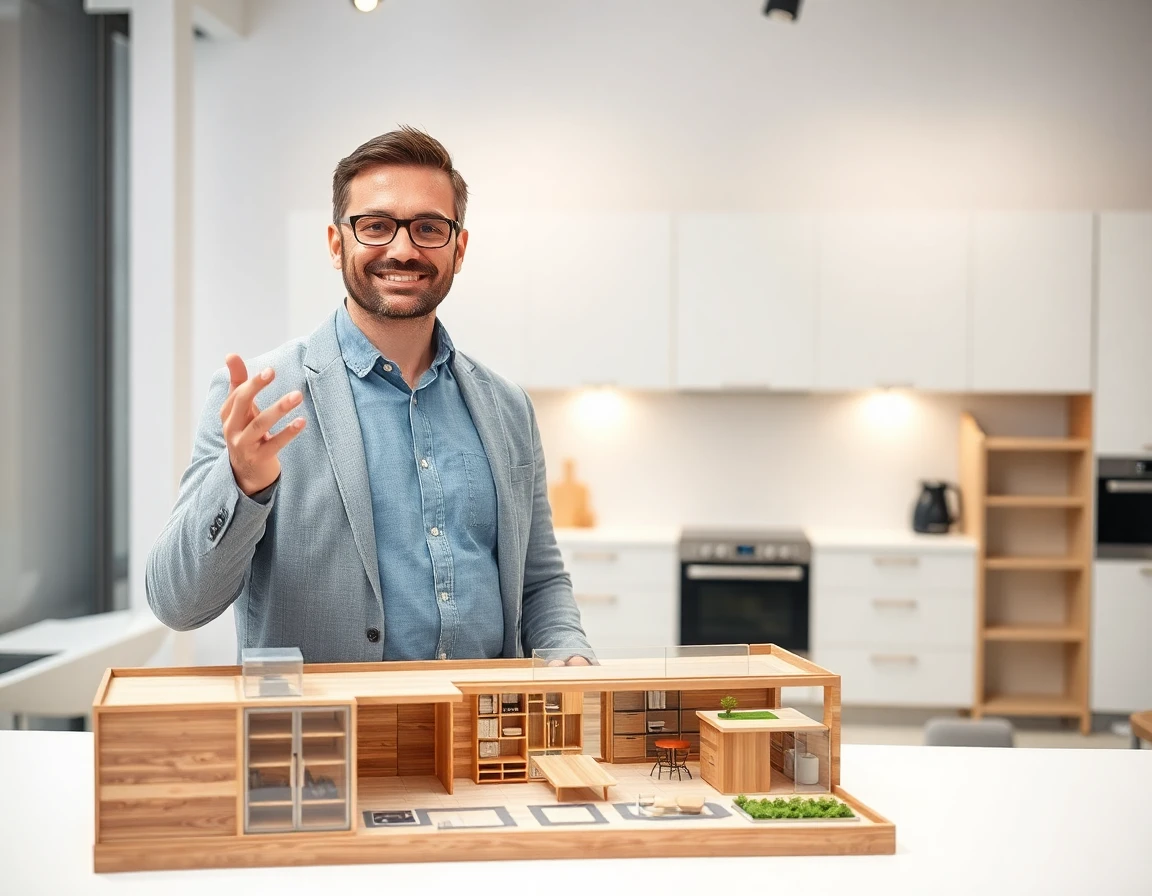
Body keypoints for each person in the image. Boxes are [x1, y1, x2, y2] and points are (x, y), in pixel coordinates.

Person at [147, 126, 592, 666]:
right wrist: (242, 485)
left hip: (482, 738)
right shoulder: (262, 398)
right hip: (325, 741)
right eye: (376, 226)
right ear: (338, 245)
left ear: (459, 247)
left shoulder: (507, 407)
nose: (403, 250)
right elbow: (176, 603)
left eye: (429, 228)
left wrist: (569, 653)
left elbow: (539, 582)